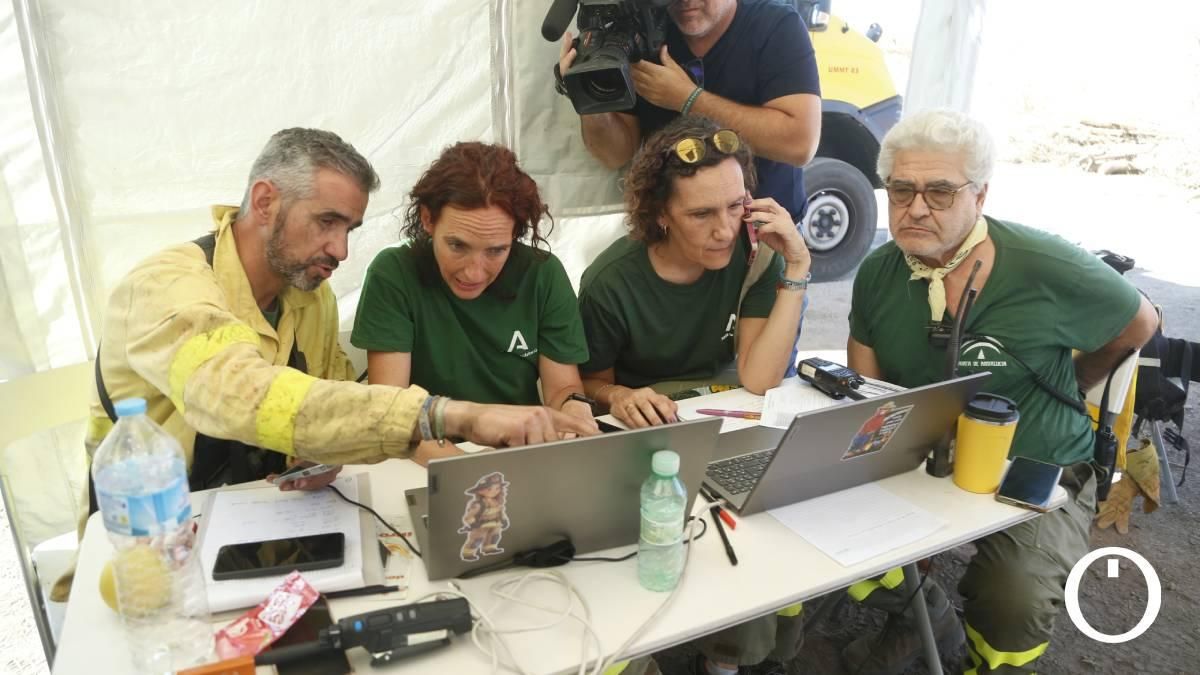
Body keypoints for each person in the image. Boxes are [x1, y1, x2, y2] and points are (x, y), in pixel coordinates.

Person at [85, 128, 594, 493]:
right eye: (326, 222)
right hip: (150, 542)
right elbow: (236, 395)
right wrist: (453, 416)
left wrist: (316, 457)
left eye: (349, 229)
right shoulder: (166, 284)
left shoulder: (311, 296)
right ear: (264, 202)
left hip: (266, 519)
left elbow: (335, 404)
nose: (341, 250)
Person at [844, 109, 1158, 674]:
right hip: (922, 457)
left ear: (980, 195)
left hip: (1038, 460)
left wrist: (1078, 380)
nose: (916, 207)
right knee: (824, 542)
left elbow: (1140, 323)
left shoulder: (1046, 265)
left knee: (1013, 596)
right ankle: (926, 614)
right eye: (901, 189)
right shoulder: (878, 272)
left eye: (940, 192)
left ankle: (990, 663)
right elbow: (867, 388)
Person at [578, 116, 811, 675]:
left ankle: (727, 661)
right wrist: (618, 396)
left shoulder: (756, 257)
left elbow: (759, 377)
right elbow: (583, 382)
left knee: (763, 533)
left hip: (726, 419)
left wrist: (797, 266)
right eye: (701, 214)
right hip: (648, 435)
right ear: (659, 214)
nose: (725, 230)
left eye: (736, 206)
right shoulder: (613, 281)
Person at [351, 142, 598, 465]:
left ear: (515, 235)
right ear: (428, 220)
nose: (473, 271)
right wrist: (472, 472)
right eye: (457, 245)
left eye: (495, 250)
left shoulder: (543, 274)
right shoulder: (394, 273)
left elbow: (562, 387)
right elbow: (391, 412)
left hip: (516, 452)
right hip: (422, 455)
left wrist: (573, 407)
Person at [557, 0, 821, 222]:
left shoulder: (775, 25)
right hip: (675, 237)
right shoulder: (644, 28)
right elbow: (615, 155)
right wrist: (589, 97)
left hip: (762, 231)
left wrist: (687, 99)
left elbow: (799, 143)